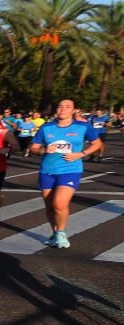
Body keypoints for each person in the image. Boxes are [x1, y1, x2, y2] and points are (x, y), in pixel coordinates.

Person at [29, 98, 103, 249]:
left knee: (59, 204)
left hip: (70, 170)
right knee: (49, 206)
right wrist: (43, 150)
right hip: (47, 171)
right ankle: (55, 233)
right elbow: (33, 147)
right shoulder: (47, 127)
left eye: (67, 107)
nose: (63, 109)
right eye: (60, 106)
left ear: (73, 110)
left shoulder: (82, 126)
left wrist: (82, 153)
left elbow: (97, 143)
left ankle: (61, 232)